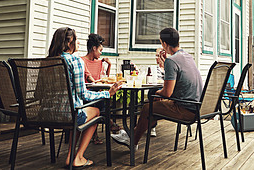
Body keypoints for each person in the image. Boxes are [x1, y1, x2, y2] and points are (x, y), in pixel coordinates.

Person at [111, 27, 203, 150]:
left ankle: (132, 141)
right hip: (197, 106)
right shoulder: (187, 56)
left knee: (147, 107)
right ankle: (131, 134)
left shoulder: (172, 60)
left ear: (164, 44)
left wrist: (156, 92)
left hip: (186, 110)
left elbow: (167, 93)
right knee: (152, 107)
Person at [48, 27, 122, 167]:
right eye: (76, 40)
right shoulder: (75, 61)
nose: (79, 43)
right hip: (68, 114)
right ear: (70, 42)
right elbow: (84, 94)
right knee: (95, 112)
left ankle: (71, 156)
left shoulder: (48, 61)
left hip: (47, 114)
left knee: (79, 114)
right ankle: (78, 157)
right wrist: (108, 93)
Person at [81, 33, 121, 143]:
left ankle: (103, 127)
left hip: (96, 93)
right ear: (94, 48)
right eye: (100, 50)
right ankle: (109, 123)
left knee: (101, 98)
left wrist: (109, 66)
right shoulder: (82, 61)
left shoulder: (99, 62)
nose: (101, 53)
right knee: (100, 100)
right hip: (86, 95)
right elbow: (90, 79)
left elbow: (104, 78)